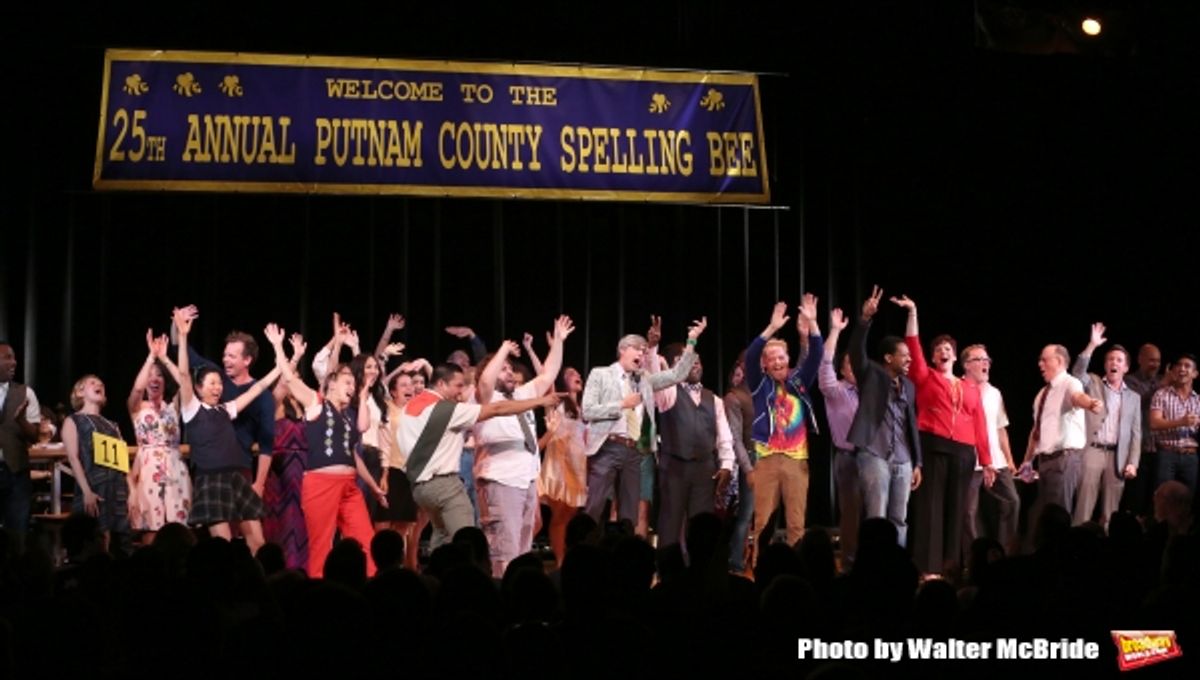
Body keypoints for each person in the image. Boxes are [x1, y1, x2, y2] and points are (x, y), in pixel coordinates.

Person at [266, 324, 387, 578]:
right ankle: (319, 593)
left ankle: (370, 586)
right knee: (322, 545)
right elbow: (290, 379)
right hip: (321, 483)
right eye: (347, 382)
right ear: (331, 385)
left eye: (354, 384)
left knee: (365, 539)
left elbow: (362, 432)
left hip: (349, 484)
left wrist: (374, 487)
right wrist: (279, 346)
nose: (352, 387)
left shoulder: (349, 415)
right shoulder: (316, 404)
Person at [398, 363, 557, 550]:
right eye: (458, 385)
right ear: (441, 384)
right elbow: (496, 410)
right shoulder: (448, 410)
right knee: (467, 541)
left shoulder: (410, 407)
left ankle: (437, 574)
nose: (461, 392)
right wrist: (539, 402)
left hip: (419, 487)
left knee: (442, 536)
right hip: (444, 485)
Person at [892, 294, 993, 575]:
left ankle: (950, 567)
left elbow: (980, 424)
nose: (943, 352)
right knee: (931, 509)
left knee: (956, 510)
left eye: (947, 348)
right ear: (934, 357)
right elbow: (913, 344)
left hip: (963, 451)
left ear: (954, 355)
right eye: (938, 349)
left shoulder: (969, 387)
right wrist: (913, 311)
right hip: (934, 445)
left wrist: (985, 461)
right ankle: (929, 568)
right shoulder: (925, 377)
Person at [581, 317, 708, 529]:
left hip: (634, 451)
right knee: (594, 507)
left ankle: (624, 555)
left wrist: (692, 341)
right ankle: (584, 555)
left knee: (629, 512)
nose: (641, 353)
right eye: (637, 349)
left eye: (643, 350)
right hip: (607, 447)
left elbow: (678, 374)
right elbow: (588, 410)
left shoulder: (645, 379)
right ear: (623, 349)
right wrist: (621, 405)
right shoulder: (601, 374)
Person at [473, 316, 572, 577]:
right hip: (501, 481)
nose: (510, 373)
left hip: (526, 480)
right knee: (505, 552)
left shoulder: (521, 395)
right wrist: (504, 350)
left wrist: (559, 341)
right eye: (504, 369)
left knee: (523, 551)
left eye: (510, 368)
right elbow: (484, 381)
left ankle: (519, 600)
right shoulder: (485, 398)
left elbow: (548, 373)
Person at [176, 309, 281, 554]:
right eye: (211, 383)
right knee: (222, 547)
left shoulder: (227, 409)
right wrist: (182, 336)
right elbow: (183, 374)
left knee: (257, 541)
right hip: (212, 481)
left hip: (237, 477)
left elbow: (259, 388)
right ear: (199, 388)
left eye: (219, 383)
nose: (217, 387)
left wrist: (288, 357)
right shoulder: (191, 409)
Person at [744, 297, 823, 550]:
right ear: (765, 365)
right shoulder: (759, 385)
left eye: (781, 357)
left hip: (796, 461)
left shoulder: (798, 382)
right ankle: (758, 571)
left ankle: (796, 571)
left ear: (788, 358)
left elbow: (816, 354)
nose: (777, 362)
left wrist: (812, 323)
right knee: (762, 523)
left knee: (796, 525)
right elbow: (751, 355)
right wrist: (770, 328)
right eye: (771, 359)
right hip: (766, 460)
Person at [847, 287, 922, 547]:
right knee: (876, 518)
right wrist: (864, 320)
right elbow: (857, 352)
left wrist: (917, 462)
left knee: (899, 519)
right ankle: (874, 566)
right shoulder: (871, 374)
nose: (909, 359)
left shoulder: (909, 386)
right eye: (904, 355)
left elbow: (911, 424)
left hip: (903, 458)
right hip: (874, 453)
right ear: (889, 358)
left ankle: (896, 566)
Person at [653, 341, 734, 549]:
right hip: (674, 467)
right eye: (688, 361)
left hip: (704, 468)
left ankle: (699, 573)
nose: (695, 364)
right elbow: (656, 381)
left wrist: (726, 464)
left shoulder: (713, 399)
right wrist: (655, 353)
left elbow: (724, 434)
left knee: (701, 527)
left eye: (697, 360)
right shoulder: (669, 393)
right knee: (670, 524)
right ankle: (669, 572)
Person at [1021, 344, 1102, 534]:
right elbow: (1036, 431)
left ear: (1058, 361)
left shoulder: (1070, 383)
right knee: (1044, 516)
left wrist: (1090, 403)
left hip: (1064, 459)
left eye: (1044, 359)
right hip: (1045, 461)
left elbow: (1077, 397)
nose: (1040, 364)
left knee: (1059, 514)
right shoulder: (1042, 394)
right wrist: (1027, 461)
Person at [1070, 323, 1141, 529]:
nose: (1114, 363)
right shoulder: (1093, 383)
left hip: (1117, 457)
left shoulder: (1133, 398)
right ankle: (1076, 545)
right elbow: (1077, 372)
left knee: (1112, 513)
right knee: (1084, 508)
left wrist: (1133, 462)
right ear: (1105, 364)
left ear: (1126, 368)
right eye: (1110, 359)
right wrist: (1092, 345)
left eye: (1119, 360)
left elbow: (1136, 433)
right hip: (1093, 450)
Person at [127, 330, 191, 541]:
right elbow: (137, 388)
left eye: (159, 375)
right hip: (148, 468)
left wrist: (164, 358)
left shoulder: (173, 405)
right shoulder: (137, 407)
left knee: (179, 529)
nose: (154, 379)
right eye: (151, 375)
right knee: (151, 529)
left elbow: (184, 379)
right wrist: (151, 358)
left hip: (174, 467)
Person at [62, 374, 133, 555]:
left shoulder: (113, 425)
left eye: (101, 383)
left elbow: (123, 462)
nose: (99, 384)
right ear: (79, 392)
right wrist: (86, 491)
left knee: (121, 541)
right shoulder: (74, 420)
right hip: (94, 485)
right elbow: (73, 458)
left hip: (117, 488)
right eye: (92, 383)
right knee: (98, 538)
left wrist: (131, 491)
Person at [960, 343, 1020, 551]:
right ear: (967, 365)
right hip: (971, 462)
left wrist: (1010, 459)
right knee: (968, 512)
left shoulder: (995, 393)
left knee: (1012, 502)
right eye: (979, 359)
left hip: (997, 461)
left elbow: (1001, 428)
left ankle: (1004, 552)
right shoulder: (959, 388)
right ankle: (974, 557)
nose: (985, 363)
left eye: (987, 360)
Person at [818, 307, 862, 570]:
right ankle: (849, 565)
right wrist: (835, 330)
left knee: (875, 516)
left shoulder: (871, 391)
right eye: (849, 363)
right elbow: (825, 363)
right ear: (843, 369)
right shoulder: (835, 391)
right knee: (852, 516)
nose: (854, 366)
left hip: (873, 457)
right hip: (848, 458)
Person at [264, 331, 310, 571]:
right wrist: (292, 357)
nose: (295, 382)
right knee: (283, 522)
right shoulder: (276, 404)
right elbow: (284, 384)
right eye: (292, 378)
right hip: (281, 471)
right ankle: (282, 570)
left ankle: (302, 568)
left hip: (304, 471)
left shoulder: (305, 408)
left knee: (302, 522)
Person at [537, 367, 587, 566]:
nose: (578, 376)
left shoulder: (583, 408)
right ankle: (560, 560)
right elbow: (544, 374)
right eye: (572, 373)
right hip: (558, 467)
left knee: (569, 516)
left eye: (578, 373)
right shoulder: (556, 401)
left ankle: (567, 557)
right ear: (563, 380)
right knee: (559, 516)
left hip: (578, 468)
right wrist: (536, 348)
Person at [0, 340, 42, 549]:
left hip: (15, 472)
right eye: (7, 357)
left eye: (14, 357)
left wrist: (21, 421)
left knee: (17, 535)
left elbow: (35, 436)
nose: (14, 362)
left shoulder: (25, 393)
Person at [1148, 353, 1200, 496]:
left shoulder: (1198, 400)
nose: (1182, 368)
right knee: (1163, 497)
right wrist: (1181, 422)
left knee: (1188, 501)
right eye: (1179, 365)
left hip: (1191, 456)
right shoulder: (1161, 394)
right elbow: (1154, 423)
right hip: (1167, 454)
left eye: (1187, 366)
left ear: (1195, 374)